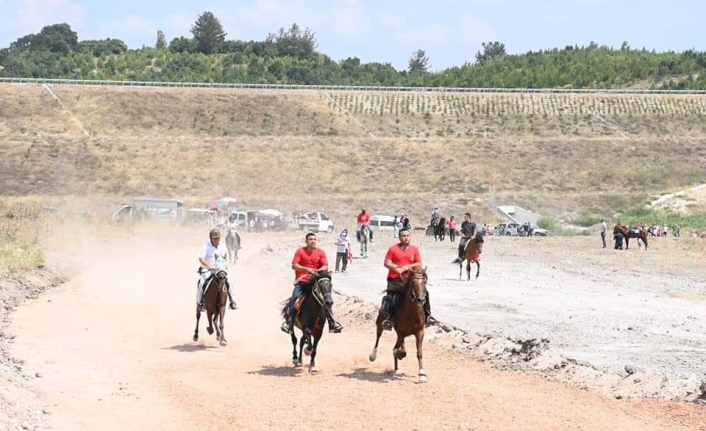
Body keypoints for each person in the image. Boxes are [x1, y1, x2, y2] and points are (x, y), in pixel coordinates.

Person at [281, 233, 343, 334]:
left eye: (314, 239)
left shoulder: (320, 252)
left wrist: (317, 271)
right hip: (302, 282)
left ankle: (332, 323)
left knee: (326, 299)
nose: (313, 241)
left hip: (316, 282)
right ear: (306, 241)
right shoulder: (300, 251)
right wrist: (306, 269)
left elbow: (325, 266)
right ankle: (289, 323)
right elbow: (294, 265)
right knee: (295, 298)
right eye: (310, 239)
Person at [378, 228, 435, 331]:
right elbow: (386, 262)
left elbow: (419, 263)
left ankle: (428, 316)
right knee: (391, 297)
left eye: (408, 236)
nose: (406, 238)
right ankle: (388, 319)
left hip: (409, 279)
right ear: (400, 237)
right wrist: (396, 269)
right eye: (404, 236)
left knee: (425, 293)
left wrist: (408, 267)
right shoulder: (393, 249)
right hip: (395, 279)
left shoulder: (414, 249)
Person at [197, 228, 237, 312]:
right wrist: (209, 265)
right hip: (208, 270)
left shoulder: (222, 246)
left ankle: (232, 301)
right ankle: (199, 303)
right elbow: (201, 258)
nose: (216, 240)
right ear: (211, 238)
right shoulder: (206, 246)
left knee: (229, 281)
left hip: (219, 270)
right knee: (201, 283)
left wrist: (225, 266)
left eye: (218, 238)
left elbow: (225, 258)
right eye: (214, 238)